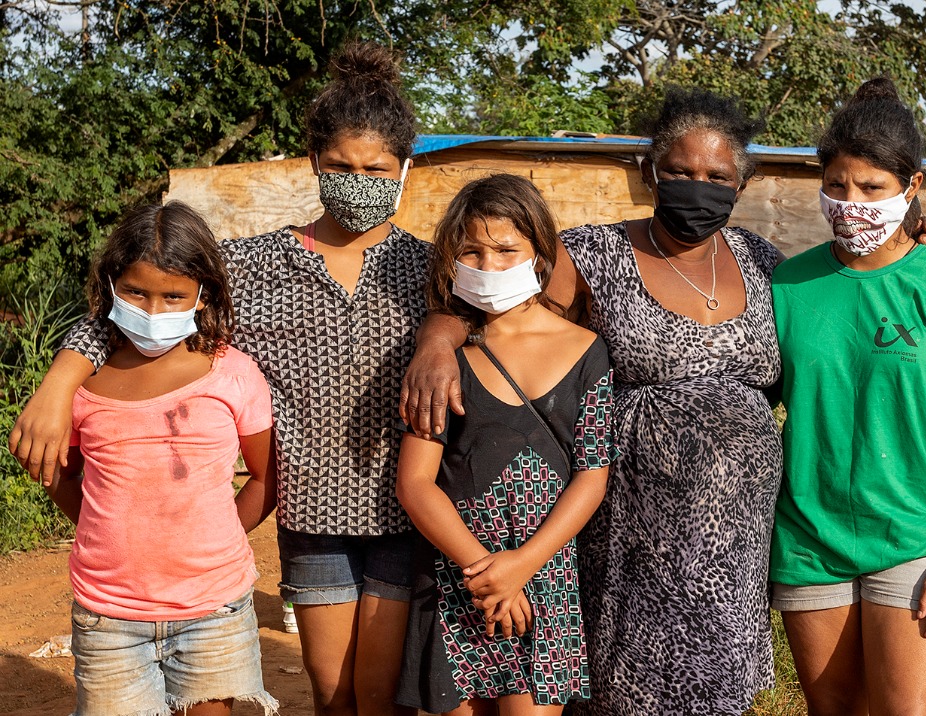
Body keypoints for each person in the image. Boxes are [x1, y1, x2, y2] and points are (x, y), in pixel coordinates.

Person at [399, 87, 926, 715]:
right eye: (679, 171)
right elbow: (502, 302)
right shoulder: (592, 256)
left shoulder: (763, 262)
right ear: (650, 171)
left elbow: (849, 302)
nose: (696, 186)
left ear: (740, 184)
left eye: (715, 176)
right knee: (631, 692)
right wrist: (439, 333)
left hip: (739, 542)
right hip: (634, 533)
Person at [10, 42, 430, 716]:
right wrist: (59, 380)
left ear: (404, 170)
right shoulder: (253, 267)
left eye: (376, 168)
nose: (359, 179)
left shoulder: (429, 271)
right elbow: (139, 309)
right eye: (342, 166)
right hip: (313, 514)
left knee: (382, 698)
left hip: (410, 512)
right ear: (315, 165)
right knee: (334, 693)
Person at [769, 77, 926, 716]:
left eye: (872, 188)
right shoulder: (788, 283)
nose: (851, 202)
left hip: (911, 539)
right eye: (837, 186)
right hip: (807, 540)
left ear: (912, 187)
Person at [42, 202, 277, 716]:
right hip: (108, 615)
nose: (153, 310)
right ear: (109, 284)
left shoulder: (233, 374)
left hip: (214, 610)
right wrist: (103, 530)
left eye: (174, 295)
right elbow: (57, 469)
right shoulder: (80, 383)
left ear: (204, 293)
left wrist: (220, 537)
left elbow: (265, 477)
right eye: (134, 291)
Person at [394, 173, 615, 715]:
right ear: (451, 259)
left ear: (539, 253)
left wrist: (521, 566)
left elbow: (593, 472)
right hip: (454, 577)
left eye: (506, 249)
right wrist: (486, 572)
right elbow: (416, 481)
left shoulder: (588, 351)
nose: (488, 266)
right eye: (471, 251)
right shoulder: (444, 358)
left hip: (545, 578)